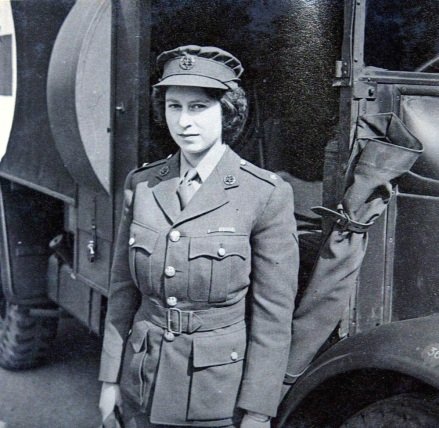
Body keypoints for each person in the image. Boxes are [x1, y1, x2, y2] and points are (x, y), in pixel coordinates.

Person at [98, 45, 299, 428]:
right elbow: (122, 292)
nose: (184, 122)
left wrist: (257, 411)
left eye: (199, 107)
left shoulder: (264, 193)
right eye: (175, 106)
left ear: (227, 111)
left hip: (215, 394)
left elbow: (273, 317)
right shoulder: (142, 185)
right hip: (142, 381)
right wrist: (109, 380)